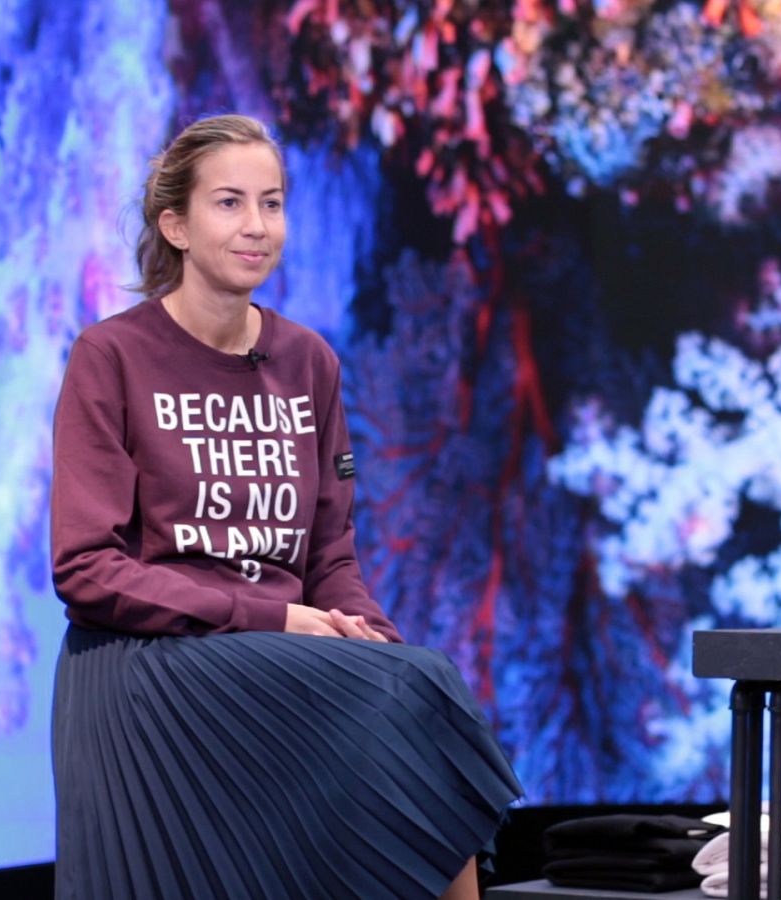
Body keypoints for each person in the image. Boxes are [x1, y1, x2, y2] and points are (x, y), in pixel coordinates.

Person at [49, 113, 523, 899]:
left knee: (412, 687)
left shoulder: (309, 360)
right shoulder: (112, 356)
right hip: (149, 661)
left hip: (280, 653)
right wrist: (272, 619)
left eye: (271, 204)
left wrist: (365, 632)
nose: (256, 227)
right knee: (415, 694)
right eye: (229, 203)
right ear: (176, 224)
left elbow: (328, 554)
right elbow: (87, 570)